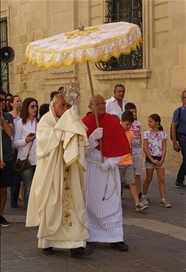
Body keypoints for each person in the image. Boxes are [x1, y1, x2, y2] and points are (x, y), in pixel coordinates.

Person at [26, 93, 93, 258]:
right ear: (53, 104)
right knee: (52, 205)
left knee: (75, 203)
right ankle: (47, 242)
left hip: (70, 170)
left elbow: (80, 137)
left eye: (67, 106)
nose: (65, 109)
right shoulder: (46, 120)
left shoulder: (71, 117)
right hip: (52, 171)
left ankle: (76, 245)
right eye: (62, 105)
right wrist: (66, 129)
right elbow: (44, 142)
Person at [82, 94, 131, 252]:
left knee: (112, 203)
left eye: (103, 103)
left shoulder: (113, 122)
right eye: (97, 104)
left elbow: (120, 145)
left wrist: (110, 162)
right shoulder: (84, 123)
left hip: (107, 168)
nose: (101, 106)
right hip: (91, 167)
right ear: (90, 107)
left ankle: (115, 237)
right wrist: (92, 139)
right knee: (89, 202)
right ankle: (90, 234)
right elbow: (80, 149)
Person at [118, 111, 148, 212]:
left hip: (128, 161)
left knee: (132, 182)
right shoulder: (117, 132)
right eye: (127, 124)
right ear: (121, 121)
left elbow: (129, 148)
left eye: (130, 124)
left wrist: (130, 158)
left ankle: (137, 203)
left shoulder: (130, 133)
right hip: (118, 163)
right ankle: (117, 202)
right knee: (118, 184)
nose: (129, 126)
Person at [13, 98, 38, 211]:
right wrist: (26, 140)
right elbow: (15, 143)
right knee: (28, 186)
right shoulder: (20, 123)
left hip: (38, 159)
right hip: (25, 159)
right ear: (26, 108)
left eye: (36, 106)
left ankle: (36, 211)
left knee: (37, 186)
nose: (35, 108)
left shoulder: (40, 123)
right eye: (32, 106)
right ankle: (29, 212)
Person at [141, 114, 171, 208]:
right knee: (149, 178)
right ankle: (144, 196)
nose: (149, 123)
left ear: (157, 123)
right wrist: (152, 159)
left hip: (159, 158)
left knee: (161, 179)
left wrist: (162, 159)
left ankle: (163, 199)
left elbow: (164, 147)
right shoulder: (147, 134)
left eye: (151, 121)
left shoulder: (163, 134)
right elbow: (145, 148)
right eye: (148, 121)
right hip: (150, 158)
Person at [0, 89, 14, 227]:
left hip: (7, 156)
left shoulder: (8, 117)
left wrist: (2, 119)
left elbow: (10, 133)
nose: (3, 102)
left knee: (4, 189)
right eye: (0, 100)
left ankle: (0, 215)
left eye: (4, 100)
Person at [125, 102, 143, 199]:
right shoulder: (125, 124)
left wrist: (139, 149)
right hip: (128, 152)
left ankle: (139, 193)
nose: (134, 114)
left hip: (137, 150)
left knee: (138, 173)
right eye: (132, 112)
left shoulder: (139, 124)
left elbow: (140, 137)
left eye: (135, 112)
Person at [8, 95, 23, 208]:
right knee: (15, 177)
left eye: (20, 100)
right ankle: (13, 198)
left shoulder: (22, 119)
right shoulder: (12, 119)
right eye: (17, 101)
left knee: (20, 177)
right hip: (15, 150)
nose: (19, 102)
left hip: (24, 150)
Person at [171, 89, 186, 188]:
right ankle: (179, 180)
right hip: (182, 138)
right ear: (182, 99)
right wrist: (175, 143)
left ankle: (179, 180)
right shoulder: (179, 111)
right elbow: (174, 127)